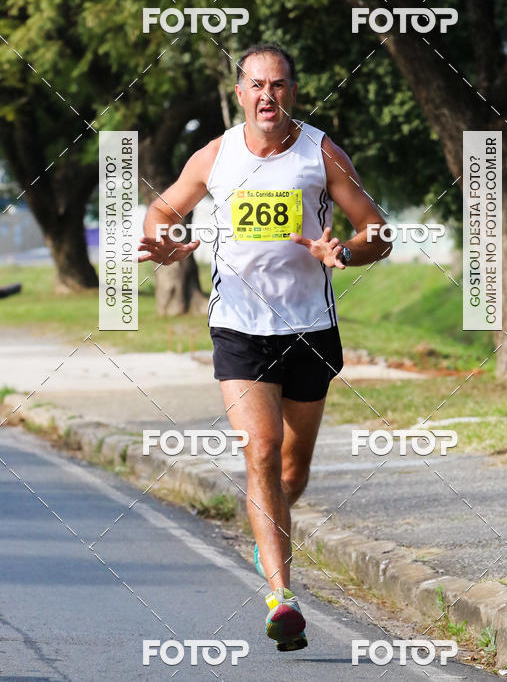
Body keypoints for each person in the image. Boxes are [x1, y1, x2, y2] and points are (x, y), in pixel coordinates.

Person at [139, 43, 388, 651]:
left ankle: (267, 535)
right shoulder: (216, 155)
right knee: (262, 448)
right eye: (255, 85)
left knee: (290, 468)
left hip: (308, 327)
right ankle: (281, 596)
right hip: (239, 327)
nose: (266, 96)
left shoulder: (320, 151)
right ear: (239, 92)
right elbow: (165, 207)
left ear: (292, 92)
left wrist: (347, 253)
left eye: (277, 85)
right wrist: (166, 240)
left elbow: (376, 228)